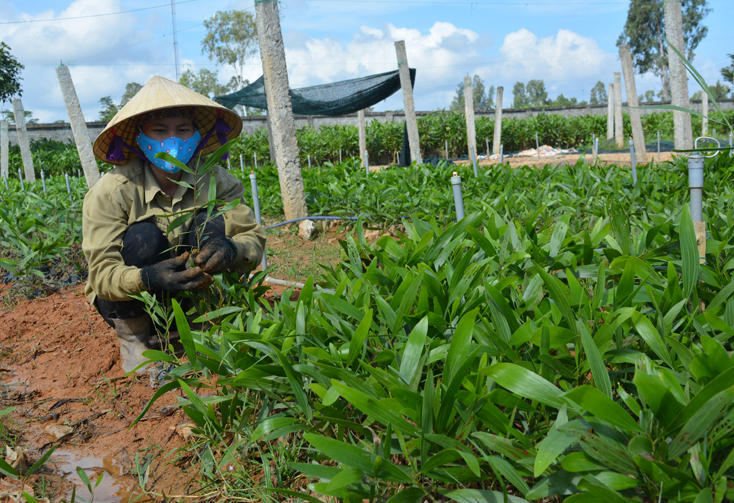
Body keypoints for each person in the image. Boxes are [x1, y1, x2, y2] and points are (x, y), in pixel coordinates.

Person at [83, 75, 266, 374]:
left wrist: (231, 248)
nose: (173, 140)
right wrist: (147, 277)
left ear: (197, 135)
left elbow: (251, 238)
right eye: (159, 130)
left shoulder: (218, 181)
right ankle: (135, 340)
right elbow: (101, 274)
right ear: (139, 137)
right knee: (144, 235)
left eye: (183, 129)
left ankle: (198, 325)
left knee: (210, 223)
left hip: (197, 292)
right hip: (134, 302)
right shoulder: (112, 191)